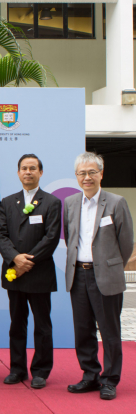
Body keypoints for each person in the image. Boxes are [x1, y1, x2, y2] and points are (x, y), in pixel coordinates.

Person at [64, 152, 133, 401]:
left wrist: (110, 267)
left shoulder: (116, 202)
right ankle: (90, 375)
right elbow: (71, 238)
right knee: (83, 331)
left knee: (110, 331)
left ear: (101, 174)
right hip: (78, 276)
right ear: (76, 177)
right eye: (82, 173)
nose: (87, 177)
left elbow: (126, 244)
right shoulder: (70, 203)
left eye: (92, 172)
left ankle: (110, 380)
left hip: (105, 276)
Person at [0, 154, 61, 389]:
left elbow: (51, 237)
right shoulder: (7, 202)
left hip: (39, 272)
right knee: (17, 323)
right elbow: (0, 235)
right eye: (24, 168)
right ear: (18, 172)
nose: (28, 172)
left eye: (33, 168)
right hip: (14, 272)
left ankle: (41, 371)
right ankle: (17, 369)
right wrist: (15, 259)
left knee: (42, 325)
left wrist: (27, 261)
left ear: (40, 172)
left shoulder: (52, 202)